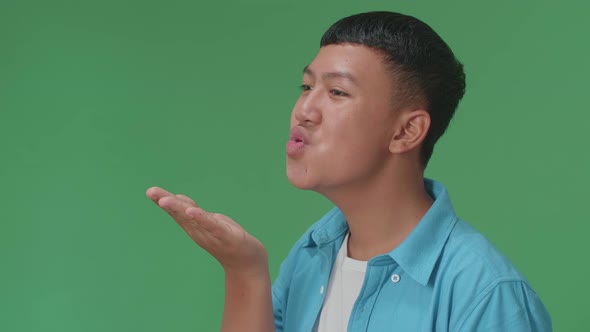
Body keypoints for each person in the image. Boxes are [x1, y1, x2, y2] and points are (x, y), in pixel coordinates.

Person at [146, 11, 552, 332]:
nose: (304, 110)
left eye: (337, 92)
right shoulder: (312, 255)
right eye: (306, 87)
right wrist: (244, 271)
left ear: (407, 131)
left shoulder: (485, 293)